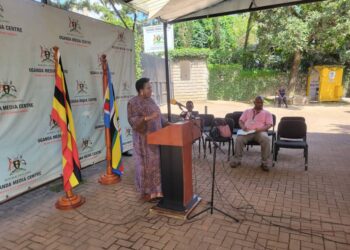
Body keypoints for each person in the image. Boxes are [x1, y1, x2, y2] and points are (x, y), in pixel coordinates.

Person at [127, 78, 167, 202]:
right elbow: (132, 120)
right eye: (148, 88)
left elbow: (158, 116)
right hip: (143, 142)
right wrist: (147, 118)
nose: (151, 90)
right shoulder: (133, 102)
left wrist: (167, 123)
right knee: (145, 167)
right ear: (141, 90)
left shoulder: (151, 101)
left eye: (150, 87)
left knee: (155, 166)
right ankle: (146, 193)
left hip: (155, 140)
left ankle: (157, 192)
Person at [230, 96, 273, 171]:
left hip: (260, 132)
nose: (260, 104)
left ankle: (265, 163)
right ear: (254, 102)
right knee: (239, 139)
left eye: (261, 103)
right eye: (258, 102)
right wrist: (243, 127)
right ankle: (237, 160)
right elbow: (241, 121)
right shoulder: (247, 111)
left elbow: (269, 125)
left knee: (266, 139)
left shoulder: (267, 113)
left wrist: (260, 129)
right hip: (247, 132)